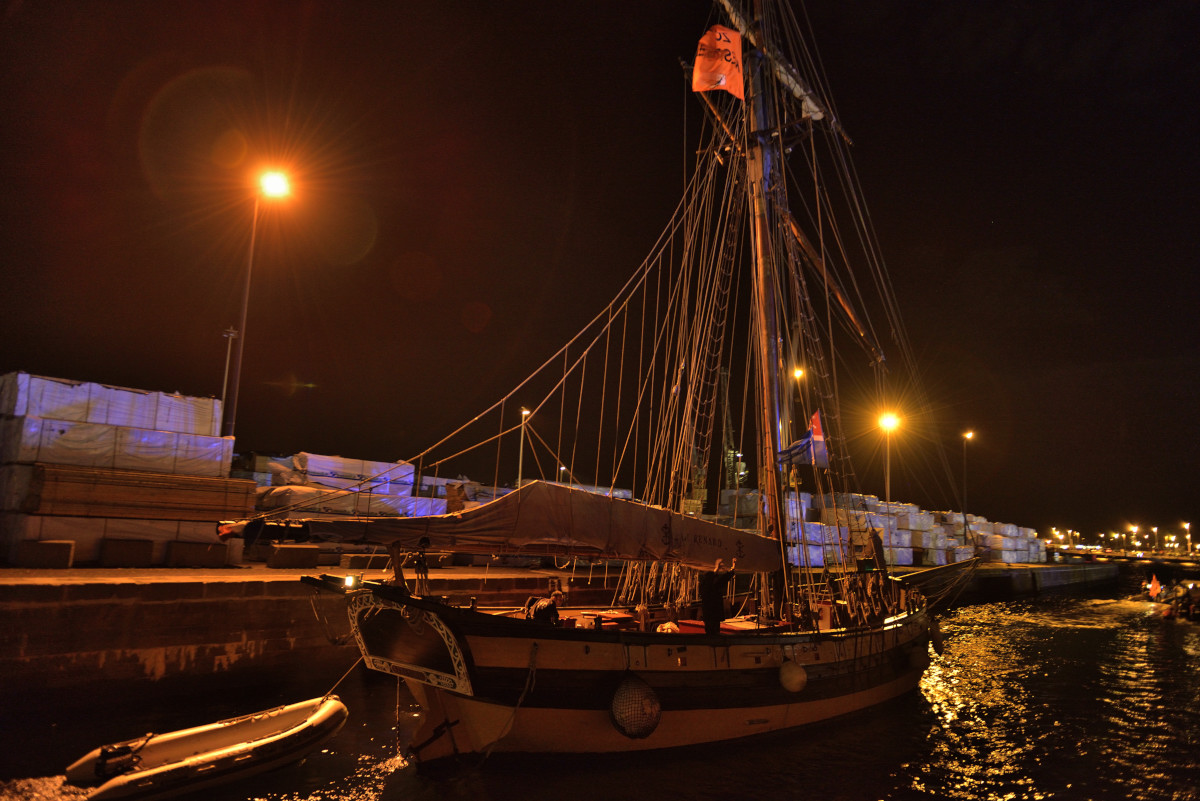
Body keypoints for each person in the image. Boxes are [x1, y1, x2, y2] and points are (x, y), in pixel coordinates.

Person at [698, 558, 737, 635]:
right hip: (711, 613)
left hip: (712, 614)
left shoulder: (711, 585)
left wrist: (733, 567)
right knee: (712, 630)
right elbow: (721, 579)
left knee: (713, 630)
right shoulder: (707, 587)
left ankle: (713, 641)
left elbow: (724, 578)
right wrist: (717, 568)